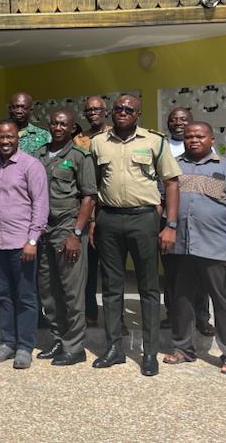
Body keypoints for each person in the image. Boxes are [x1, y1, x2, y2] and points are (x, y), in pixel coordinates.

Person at [90, 94, 180, 377]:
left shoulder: (154, 141)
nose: (123, 112)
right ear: (111, 112)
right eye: (118, 108)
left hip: (143, 219)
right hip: (109, 218)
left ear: (139, 113)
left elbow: (172, 183)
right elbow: (92, 187)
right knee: (111, 287)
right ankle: (114, 348)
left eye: (129, 109)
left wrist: (171, 225)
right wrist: (93, 221)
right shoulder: (98, 142)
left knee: (148, 288)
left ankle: (150, 351)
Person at [163, 122, 226, 375]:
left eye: (199, 136)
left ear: (211, 139)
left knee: (224, 301)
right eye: (189, 136)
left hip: (215, 247)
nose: (194, 140)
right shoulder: (173, 167)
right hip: (181, 247)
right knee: (181, 299)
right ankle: (183, 348)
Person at [34, 110, 97, 366]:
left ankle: (75, 346)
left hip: (67, 228)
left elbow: (89, 197)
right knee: (48, 289)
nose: (58, 127)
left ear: (73, 129)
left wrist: (76, 233)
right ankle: (59, 339)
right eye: (54, 123)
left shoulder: (80, 156)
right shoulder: (38, 154)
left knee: (71, 291)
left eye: (64, 124)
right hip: (43, 230)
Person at [0, 121, 48, 370]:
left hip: (22, 243)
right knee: (1, 296)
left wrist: (33, 240)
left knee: (25, 297)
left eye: (9, 136)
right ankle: (7, 342)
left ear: (17, 139)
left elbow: (40, 205)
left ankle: (24, 347)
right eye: (0, 137)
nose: (5, 141)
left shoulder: (31, 166)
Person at [162, 107, 213, 335]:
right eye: (174, 120)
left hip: (200, 223)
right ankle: (172, 314)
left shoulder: (201, 149)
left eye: (183, 119)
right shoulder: (162, 146)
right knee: (172, 270)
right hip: (170, 220)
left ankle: (202, 317)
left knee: (202, 272)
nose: (179, 123)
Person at [76, 95, 111, 324]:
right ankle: (90, 312)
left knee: (111, 270)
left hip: (111, 210)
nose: (92, 113)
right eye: (88, 110)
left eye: (96, 109)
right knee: (88, 269)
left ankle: (116, 319)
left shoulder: (115, 136)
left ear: (105, 111)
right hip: (88, 210)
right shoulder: (79, 141)